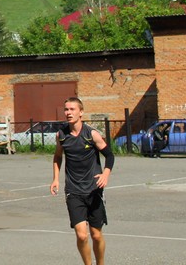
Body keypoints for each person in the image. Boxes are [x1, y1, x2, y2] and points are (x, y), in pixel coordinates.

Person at [50, 97, 114, 265]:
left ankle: (100, 262)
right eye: (66, 109)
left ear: (81, 112)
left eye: (72, 109)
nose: (68, 113)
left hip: (93, 190)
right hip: (73, 191)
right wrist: (55, 179)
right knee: (81, 234)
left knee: (96, 235)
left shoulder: (91, 134)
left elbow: (109, 155)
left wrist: (105, 174)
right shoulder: (61, 135)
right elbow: (57, 157)